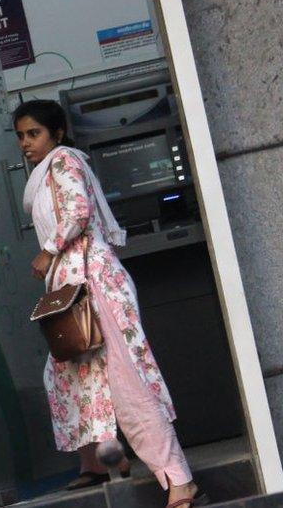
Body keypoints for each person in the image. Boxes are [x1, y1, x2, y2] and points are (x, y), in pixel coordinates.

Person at [14, 100, 206, 508]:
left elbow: (78, 212)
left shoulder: (63, 161)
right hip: (73, 289)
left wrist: (49, 251)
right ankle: (98, 464)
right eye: (21, 136)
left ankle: (178, 479)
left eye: (34, 133)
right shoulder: (44, 173)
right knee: (68, 376)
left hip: (94, 284)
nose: (26, 143)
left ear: (58, 133)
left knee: (126, 381)